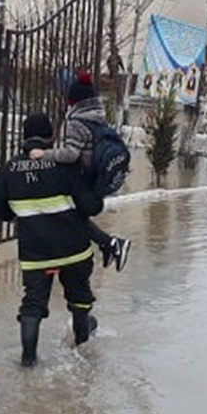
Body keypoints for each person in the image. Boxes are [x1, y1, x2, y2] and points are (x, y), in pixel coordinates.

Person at [0, 113, 104, 367]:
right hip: (73, 249)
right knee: (79, 296)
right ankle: (82, 346)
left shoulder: (10, 169)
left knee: (32, 303)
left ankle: (28, 360)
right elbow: (88, 206)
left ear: (23, 138)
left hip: (36, 253)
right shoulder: (65, 166)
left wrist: (24, 214)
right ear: (52, 138)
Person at [29, 69, 131, 272]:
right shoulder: (96, 118)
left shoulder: (76, 122)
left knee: (66, 216)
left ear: (74, 101)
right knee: (73, 218)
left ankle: (109, 245)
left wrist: (44, 154)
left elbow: (71, 154)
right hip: (93, 178)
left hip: (78, 179)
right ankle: (109, 245)